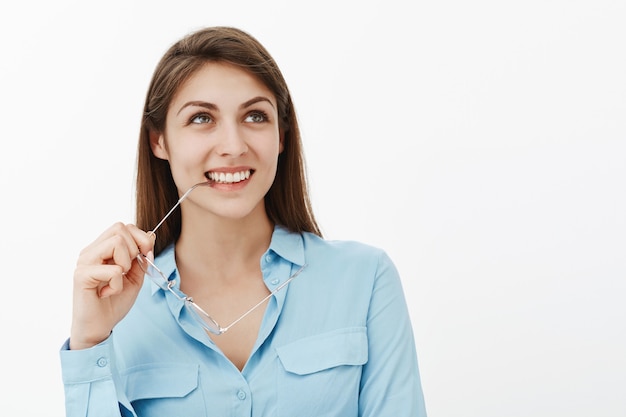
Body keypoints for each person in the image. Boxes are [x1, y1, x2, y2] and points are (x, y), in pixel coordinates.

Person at [60, 26, 427, 417]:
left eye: (255, 116)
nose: (234, 146)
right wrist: (90, 342)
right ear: (159, 141)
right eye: (201, 118)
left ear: (281, 136)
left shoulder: (365, 279)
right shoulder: (119, 309)